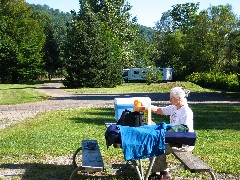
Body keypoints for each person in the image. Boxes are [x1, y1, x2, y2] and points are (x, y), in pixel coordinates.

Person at [149, 86, 194, 180]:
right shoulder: (174, 107)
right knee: (155, 144)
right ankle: (159, 172)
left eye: (172, 99)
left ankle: (164, 174)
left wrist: (168, 133)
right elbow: (159, 110)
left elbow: (184, 131)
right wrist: (147, 107)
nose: (170, 101)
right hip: (174, 139)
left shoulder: (186, 111)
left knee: (158, 147)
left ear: (180, 98)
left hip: (184, 143)